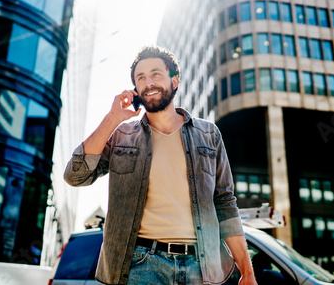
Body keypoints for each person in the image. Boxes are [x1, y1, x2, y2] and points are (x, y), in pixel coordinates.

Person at [64, 45, 257, 285]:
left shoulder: (209, 134)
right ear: (135, 89)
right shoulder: (122, 135)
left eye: (156, 74)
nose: (149, 82)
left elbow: (225, 203)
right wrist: (112, 118)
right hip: (139, 266)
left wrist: (247, 272)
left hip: (201, 267)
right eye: (141, 78)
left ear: (174, 81)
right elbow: (75, 175)